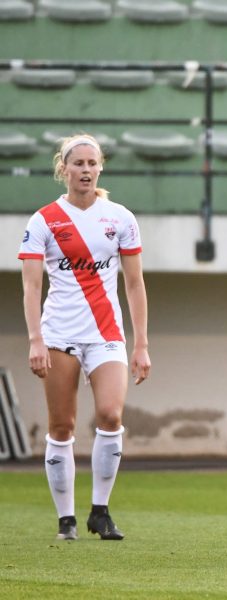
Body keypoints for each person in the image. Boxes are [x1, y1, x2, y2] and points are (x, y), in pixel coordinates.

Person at [18, 134, 151, 541]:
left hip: (106, 334)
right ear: (64, 169)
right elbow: (30, 288)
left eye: (93, 163)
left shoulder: (120, 218)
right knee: (62, 426)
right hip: (59, 335)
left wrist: (141, 343)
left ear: (101, 168)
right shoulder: (43, 221)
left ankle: (100, 511)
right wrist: (36, 340)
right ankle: (66, 520)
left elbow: (134, 284)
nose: (86, 171)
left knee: (111, 416)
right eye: (78, 164)